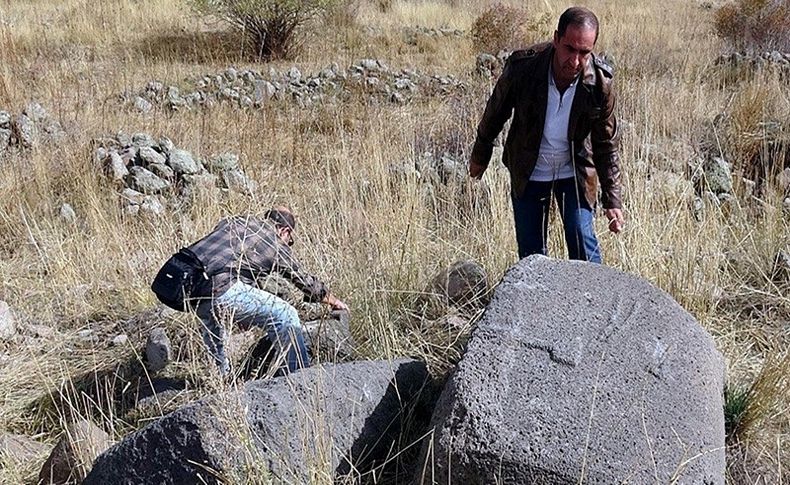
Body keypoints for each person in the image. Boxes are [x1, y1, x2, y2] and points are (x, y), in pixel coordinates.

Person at [469, 6, 624, 263]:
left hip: (574, 172)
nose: (575, 61)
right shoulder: (524, 68)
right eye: (569, 49)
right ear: (556, 39)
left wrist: (613, 200)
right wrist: (480, 155)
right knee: (533, 258)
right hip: (530, 168)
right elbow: (495, 113)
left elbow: (605, 144)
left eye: (584, 52)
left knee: (583, 245)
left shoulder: (599, 83)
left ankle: (593, 302)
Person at [186, 207, 348, 376]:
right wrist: (333, 301)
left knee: (213, 326)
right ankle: (299, 378)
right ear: (285, 230)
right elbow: (304, 281)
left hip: (192, 290)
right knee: (287, 314)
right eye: (289, 240)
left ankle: (220, 377)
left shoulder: (237, 221)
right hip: (223, 289)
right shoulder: (274, 242)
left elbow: (233, 260)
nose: (288, 244)